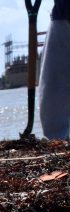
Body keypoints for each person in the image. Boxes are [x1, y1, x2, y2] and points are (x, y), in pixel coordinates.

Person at [39, 0, 70, 140]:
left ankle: (57, 138)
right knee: (53, 86)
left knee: (53, 86)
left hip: (63, 15)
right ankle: (57, 140)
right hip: (63, 13)